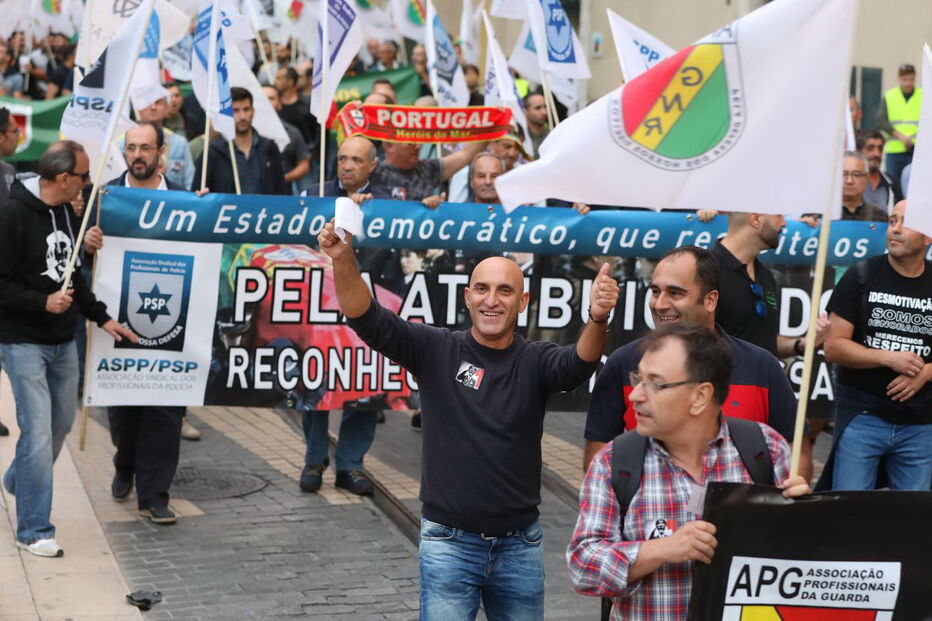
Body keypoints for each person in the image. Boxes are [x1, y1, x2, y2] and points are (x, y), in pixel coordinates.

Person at [318, 220, 619, 619]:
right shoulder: (435, 349)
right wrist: (343, 259)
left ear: (523, 301)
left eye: (504, 290)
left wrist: (597, 319)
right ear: (467, 296)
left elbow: (579, 363)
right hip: (448, 543)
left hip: (520, 546)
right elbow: (367, 318)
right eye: (482, 289)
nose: (491, 300)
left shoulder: (535, 361)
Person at [567, 322, 810, 618]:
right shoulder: (614, 463)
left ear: (700, 396)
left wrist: (799, 518)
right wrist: (660, 550)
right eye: (637, 378)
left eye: (655, 383)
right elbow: (583, 565)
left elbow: (795, 563)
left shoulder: (765, 449)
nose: (635, 395)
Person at [0, 141, 136, 557]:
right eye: (83, 175)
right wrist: (41, 302)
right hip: (23, 341)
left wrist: (103, 318)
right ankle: (34, 529)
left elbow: (72, 276)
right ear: (63, 179)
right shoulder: (12, 214)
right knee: (38, 433)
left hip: (63, 342)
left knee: (58, 427)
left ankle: (19, 480)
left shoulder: (64, 212)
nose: (87, 182)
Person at [584, 246, 810, 478]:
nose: (660, 304)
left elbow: (796, 454)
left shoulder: (762, 367)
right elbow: (597, 464)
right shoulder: (622, 363)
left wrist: (782, 502)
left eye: (675, 293)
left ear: (710, 300)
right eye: (655, 291)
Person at [83, 123, 186, 524]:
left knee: (164, 409)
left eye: (146, 148)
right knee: (124, 410)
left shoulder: (184, 199)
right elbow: (78, 258)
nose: (138, 155)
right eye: (131, 148)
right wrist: (89, 243)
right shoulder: (105, 197)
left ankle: (155, 494)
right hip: (117, 320)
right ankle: (125, 462)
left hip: (172, 322)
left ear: (161, 152)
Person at [819, 201, 932, 491]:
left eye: (904, 222)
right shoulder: (861, 275)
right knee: (849, 514)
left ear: (928, 236)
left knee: (912, 524)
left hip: (922, 424)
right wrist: (888, 358)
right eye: (892, 220)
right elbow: (833, 347)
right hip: (863, 417)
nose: (893, 229)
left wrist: (927, 372)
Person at [711, 212, 828, 358]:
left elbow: (767, 344)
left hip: (762, 380)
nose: (784, 223)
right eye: (779, 215)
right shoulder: (706, 271)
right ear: (756, 219)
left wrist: (802, 344)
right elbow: (691, 342)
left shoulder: (765, 276)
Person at [194, 87, 288, 195]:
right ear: (228, 114)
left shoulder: (269, 148)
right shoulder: (213, 152)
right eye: (236, 111)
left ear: (253, 112)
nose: (242, 116)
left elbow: (282, 190)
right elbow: (197, 192)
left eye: (246, 109)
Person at [370, 138, 487, 202]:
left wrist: (494, 125)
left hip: (420, 244)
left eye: (418, 142)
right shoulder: (373, 171)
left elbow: (466, 154)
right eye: (411, 143)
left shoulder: (427, 169)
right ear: (390, 145)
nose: (418, 147)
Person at [131, 95, 195, 190]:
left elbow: (190, 184)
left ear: (167, 108)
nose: (153, 107)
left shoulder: (179, 143)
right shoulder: (120, 143)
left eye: (158, 102)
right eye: (148, 102)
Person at [877, 64, 921, 187]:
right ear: (899, 79)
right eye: (905, 80)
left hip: (917, 150)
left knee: (916, 186)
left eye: (911, 79)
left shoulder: (924, 95)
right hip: (895, 150)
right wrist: (901, 137)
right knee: (895, 185)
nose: (908, 83)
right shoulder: (890, 96)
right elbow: (881, 120)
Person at [262, 85, 311, 194]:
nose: (266, 103)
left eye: (271, 98)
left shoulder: (292, 132)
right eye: (262, 98)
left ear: (279, 104)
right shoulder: (245, 134)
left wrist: (284, 178)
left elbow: (304, 165)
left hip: (283, 194)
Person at [275, 67, 319, 148]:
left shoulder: (308, 103)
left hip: (307, 150)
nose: (275, 82)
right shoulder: (274, 103)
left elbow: (317, 129)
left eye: (279, 78)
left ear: (290, 82)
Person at [859, 130, 902, 211]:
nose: (876, 154)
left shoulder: (892, 184)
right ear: (858, 151)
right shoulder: (849, 182)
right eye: (870, 148)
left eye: (880, 149)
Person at [524, 93, 549, 159]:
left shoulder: (552, 134)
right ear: (525, 111)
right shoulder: (519, 135)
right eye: (538, 108)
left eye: (545, 107)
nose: (544, 112)